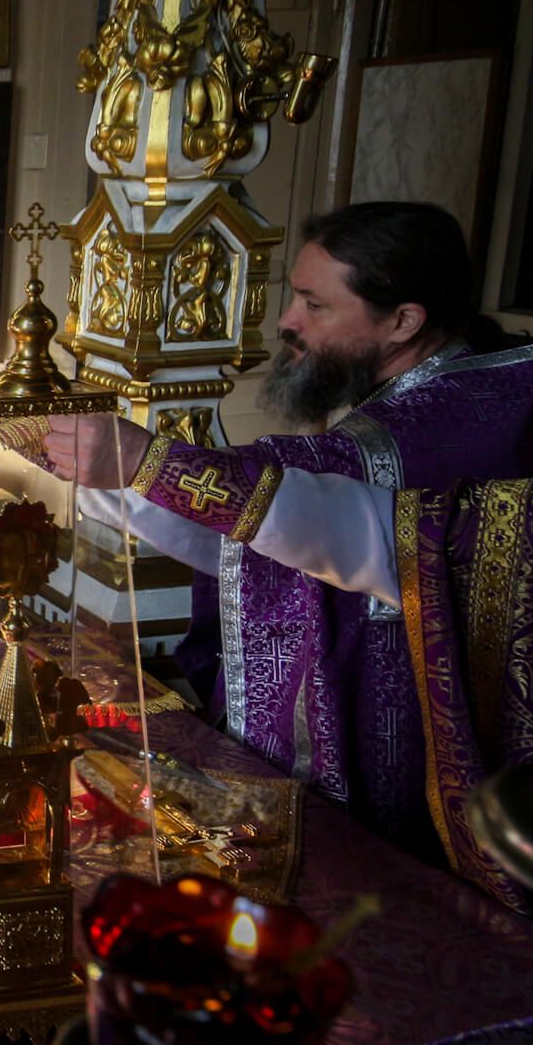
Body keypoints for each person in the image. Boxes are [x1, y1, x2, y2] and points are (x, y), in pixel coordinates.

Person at [55, 201, 533, 855]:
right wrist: (110, 471)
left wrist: (148, 464)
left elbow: (346, 531)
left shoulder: (463, 422)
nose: (287, 321)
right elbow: (265, 540)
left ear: (403, 321)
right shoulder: (423, 388)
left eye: (315, 304)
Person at [46, 416, 531, 913]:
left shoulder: (483, 414)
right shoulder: (372, 408)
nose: (289, 333)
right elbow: (244, 546)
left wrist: (151, 464)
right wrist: (97, 461)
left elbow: (403, 547)